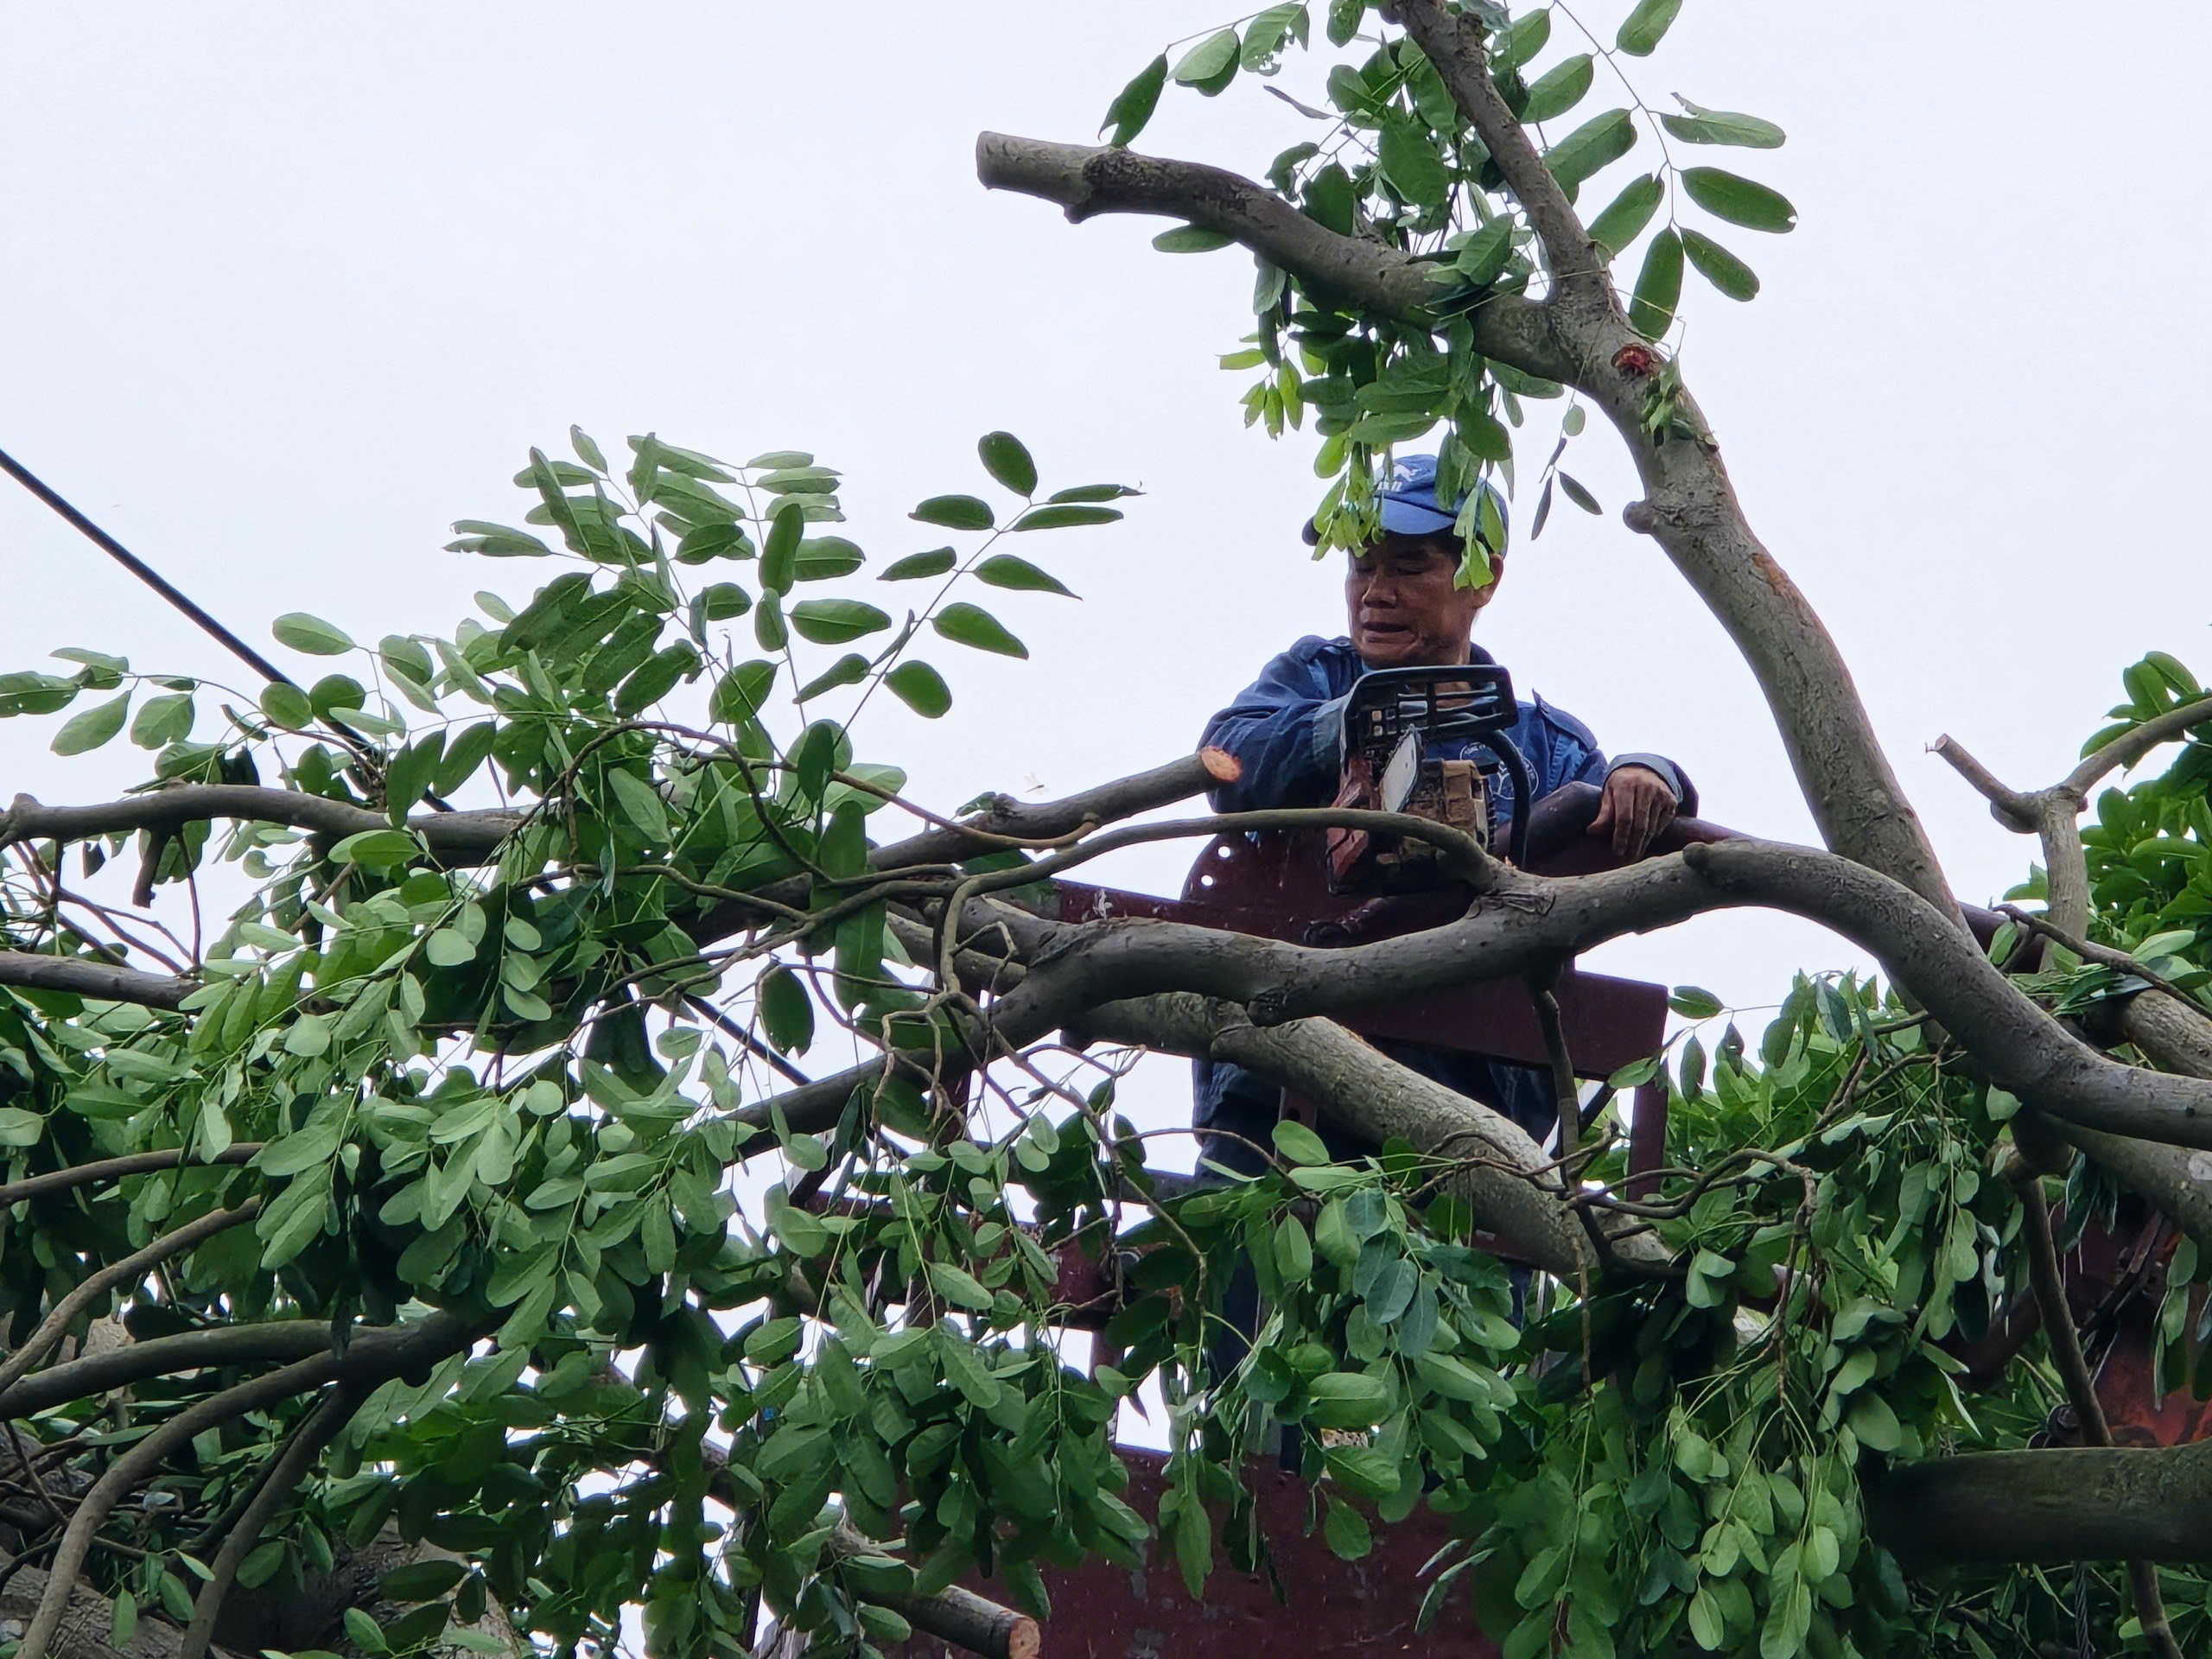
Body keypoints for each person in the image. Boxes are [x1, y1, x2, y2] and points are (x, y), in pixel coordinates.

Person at [1192, 453, 1697, 1181]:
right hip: (1281, 1086)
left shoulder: (1544, 748)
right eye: (1360, 567)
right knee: (1239, 1266)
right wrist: (1359, 722)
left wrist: (1654, 773)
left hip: (1472, 1114)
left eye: (1407, 567)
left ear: (1482, 577)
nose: (1375, 593)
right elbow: (1227, 758)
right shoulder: (1315, 678)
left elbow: (1636, 852)